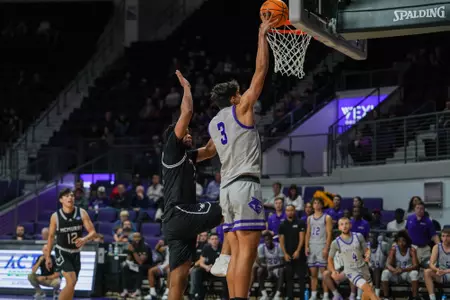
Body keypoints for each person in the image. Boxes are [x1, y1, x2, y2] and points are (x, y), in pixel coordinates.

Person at [207, 13, 278, 300]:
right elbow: (261, 72)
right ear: (236, 97)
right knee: (246, 256)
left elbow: (208, 152)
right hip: (244, 185)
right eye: (241, 92)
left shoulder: (214, 123)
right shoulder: (241, 109)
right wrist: (262, 36)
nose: (245, 93)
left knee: (235, 256)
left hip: (226, 190)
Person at [160, 70, 222, 300]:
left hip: (176, 222)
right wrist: (187, 87)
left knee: (181, 273)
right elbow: (187, 111)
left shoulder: (188, 156)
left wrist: (224, 119)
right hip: (179, 212)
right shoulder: (172, 149)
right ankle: (225, 255)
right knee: (226, 207)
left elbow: (210, 150)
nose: (189, 134)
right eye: (185, 132)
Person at [45, 188, 97, 300]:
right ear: (61, 200)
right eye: (67, 196)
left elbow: (93, 232)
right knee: (71, 281)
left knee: (72, 284)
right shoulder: (55, 216)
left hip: (76, 253)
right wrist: (48, 256)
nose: (70, 198)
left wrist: (84, 239)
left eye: (72, 195)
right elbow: (50, 237)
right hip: (62, 252)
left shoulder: (82, 212)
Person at [323, 217, 378, 300]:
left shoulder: (359, 236)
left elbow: (366, 250)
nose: (344, 226)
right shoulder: (336, 242)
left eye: (346, 223)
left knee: (369, 291)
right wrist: (333, 271)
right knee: (369, 289)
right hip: (351, 271)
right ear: (339, 227)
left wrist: (367, 255)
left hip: (363, 267)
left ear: (350, 225)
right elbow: (330, 259)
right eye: (342, 224)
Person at [305, 198, 333, 300]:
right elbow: (307, 233)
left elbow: (329, 233)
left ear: (322, 205)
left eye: (318, 203)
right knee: (313, 274)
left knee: (324, 273)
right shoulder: (309, 218)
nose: (316, 205)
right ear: (312, 205)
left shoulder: (327, 217)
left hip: (322, 245)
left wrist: (326, 248)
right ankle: (313, 295)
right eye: (315, 203)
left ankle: (325, 295)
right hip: (312, 246)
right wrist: (306, 246)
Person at [381, 230, 419, 299]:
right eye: (399, 241)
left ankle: (414, 297)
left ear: (407, 241)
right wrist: (394, 270)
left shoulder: (412, 250)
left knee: (415, 273)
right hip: (396, 273)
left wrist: (403, 270)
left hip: (407, 273)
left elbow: (415, 265)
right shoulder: (394, 249)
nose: (401, 243)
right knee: (385, 273)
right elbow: (387, 264)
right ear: (397, 241)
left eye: (403, 241)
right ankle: (386, 297)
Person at [279, 204, 306, 300]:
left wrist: (298, 251)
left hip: (299, 255)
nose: (289, 212)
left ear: (294, 211)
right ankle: (289, 297)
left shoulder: (300, 222)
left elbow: (302, 238)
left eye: (291, 210)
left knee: (301, 278)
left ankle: (302, 298)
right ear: (285, 212)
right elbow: (281, 241)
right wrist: (285, 253)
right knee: (289, 278)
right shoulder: (282, 224)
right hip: (288, 255)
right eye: (287, 210)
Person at [405, 201, 440, 267]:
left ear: (424, 210)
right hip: (411, 247)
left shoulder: (428, 221)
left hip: (424, 249)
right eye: (417, 208)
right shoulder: (409, 218)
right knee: (412, 267)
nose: (419, 210)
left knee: (429, 265)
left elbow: (434, 236)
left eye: (421, 208)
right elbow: (406, 230)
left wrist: (440, 246)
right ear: (414, 209)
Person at [120, 232, 152, 298]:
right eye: (135, 237)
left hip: (147, 266)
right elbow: (128, 259)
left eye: (138, 237)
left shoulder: (145, 246)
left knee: (140, 267)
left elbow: (141, 262)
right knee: (125, 267)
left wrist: (133, 251)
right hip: (136, 266)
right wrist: (127, 260)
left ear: (141, 238)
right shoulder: (132, 245)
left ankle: (137, 290)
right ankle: (125, 290)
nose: (136, 239)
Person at [256, 232, 284, 300]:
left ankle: (277, 295)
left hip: (277, 267)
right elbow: (261, 262)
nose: (267, 241)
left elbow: (283, 262)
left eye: (269, 240)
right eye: (266, 240)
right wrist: (267, 268)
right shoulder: (261, 247)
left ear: (272, 239)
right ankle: (264, 294)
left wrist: (273, 267)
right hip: (267, 268)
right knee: (259, 270)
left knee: (282, 270)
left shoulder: (279, 246)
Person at [424, 227, 450, 300]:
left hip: (448, 272)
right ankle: (432, 298)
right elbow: (431, 264)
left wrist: (445, 271)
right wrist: (437, 269)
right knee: (427, 272)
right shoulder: (437, 247)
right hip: (441, 274)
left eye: (448, 236)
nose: (445, 238)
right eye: (443, 236)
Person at [368, 232, 389, 298]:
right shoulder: (366, 246)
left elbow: (390, 257)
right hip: (370, 268)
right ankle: (360, 295)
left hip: (382, 268)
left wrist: (386, 266)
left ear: (377, 238)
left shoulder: (383, 245)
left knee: (377, 269)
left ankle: (376, 295)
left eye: (373, 237)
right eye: (369, 238)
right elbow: (364, 260)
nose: (371, 239)